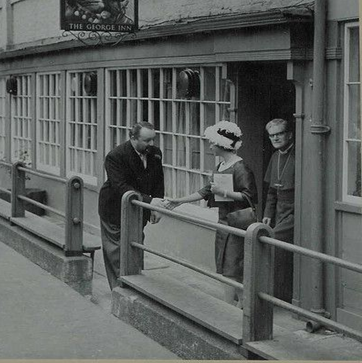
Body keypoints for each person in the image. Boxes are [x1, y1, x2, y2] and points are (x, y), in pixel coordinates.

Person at [165, 121, 257, 308]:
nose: (210, 146)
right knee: (226, 268)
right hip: (223, 222)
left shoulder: (241, 168)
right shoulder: (221, 166)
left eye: (212, 143)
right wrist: (178, 201)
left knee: (232, 270)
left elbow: (250, 196)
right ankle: (242, 306)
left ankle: (229, 308)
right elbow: (206, 191)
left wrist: (224, 193)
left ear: (221, 144)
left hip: (237, 223)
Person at [98, 122, 165, 289]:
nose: (151, 144)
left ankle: (135, 286)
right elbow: (120, 186)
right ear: (133, 138)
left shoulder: (155, 153)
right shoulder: (115, 156)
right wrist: (150, 201)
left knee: (136, 246)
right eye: (146, 140)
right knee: (117, 251)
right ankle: (119, 290)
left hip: (138, 208)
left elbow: (158, 181)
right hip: (113, 208)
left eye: (153, 140)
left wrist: (155, 207)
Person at [262, 118, 295, 302]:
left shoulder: (298, 155)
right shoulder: (275, 156)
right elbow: (272, 192)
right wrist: (267, 214)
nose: (275, 138)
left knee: (272, 244)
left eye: (279, 134)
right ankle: (276, 296)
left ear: (289, 134)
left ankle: (277, 297)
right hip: (278, 211)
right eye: (272, 135)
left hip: (294, 212)